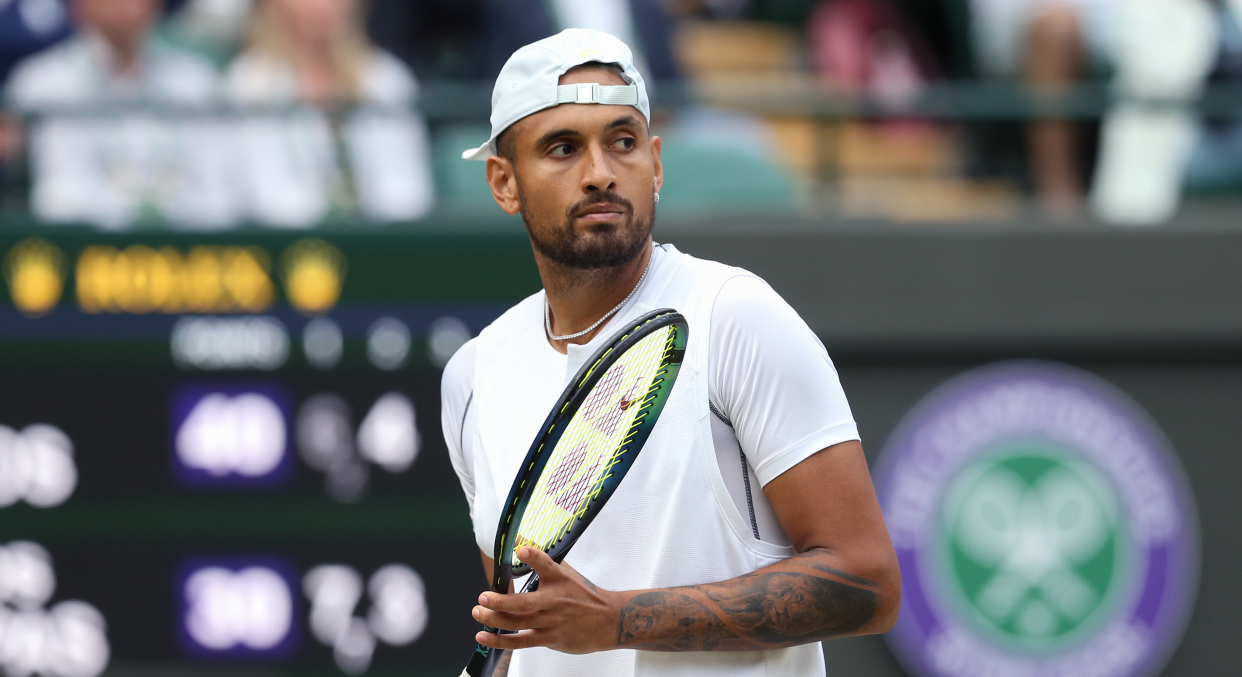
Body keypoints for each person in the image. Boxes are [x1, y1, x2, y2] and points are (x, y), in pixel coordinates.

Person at [441, 29, 900, 677]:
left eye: (622, 141)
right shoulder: (472, 377)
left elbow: (870, 582)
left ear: (655, 164)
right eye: (563, 148)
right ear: (503, 182)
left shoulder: (737, 317)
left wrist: (617, 620)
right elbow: (525, 622)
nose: (600, 172)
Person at [4, 0, 235, 228]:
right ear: (81, 6)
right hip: (83, 250)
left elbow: (214, 194)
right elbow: (61, 199)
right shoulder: (39, 84)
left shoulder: (196, 81)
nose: (131, 8)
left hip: (191, 251)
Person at [225, 0, 434, 227]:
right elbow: (262, 198)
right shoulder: (249, 83)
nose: (320, 6)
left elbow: (408, 193)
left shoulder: (386, 79)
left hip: (379, 246)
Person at [968, 0, 1118, 217]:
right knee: (1055, 29)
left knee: (1167, 33)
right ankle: (1059, 204)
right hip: (1023, 23)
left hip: (1119, 22)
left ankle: (1135, 206)